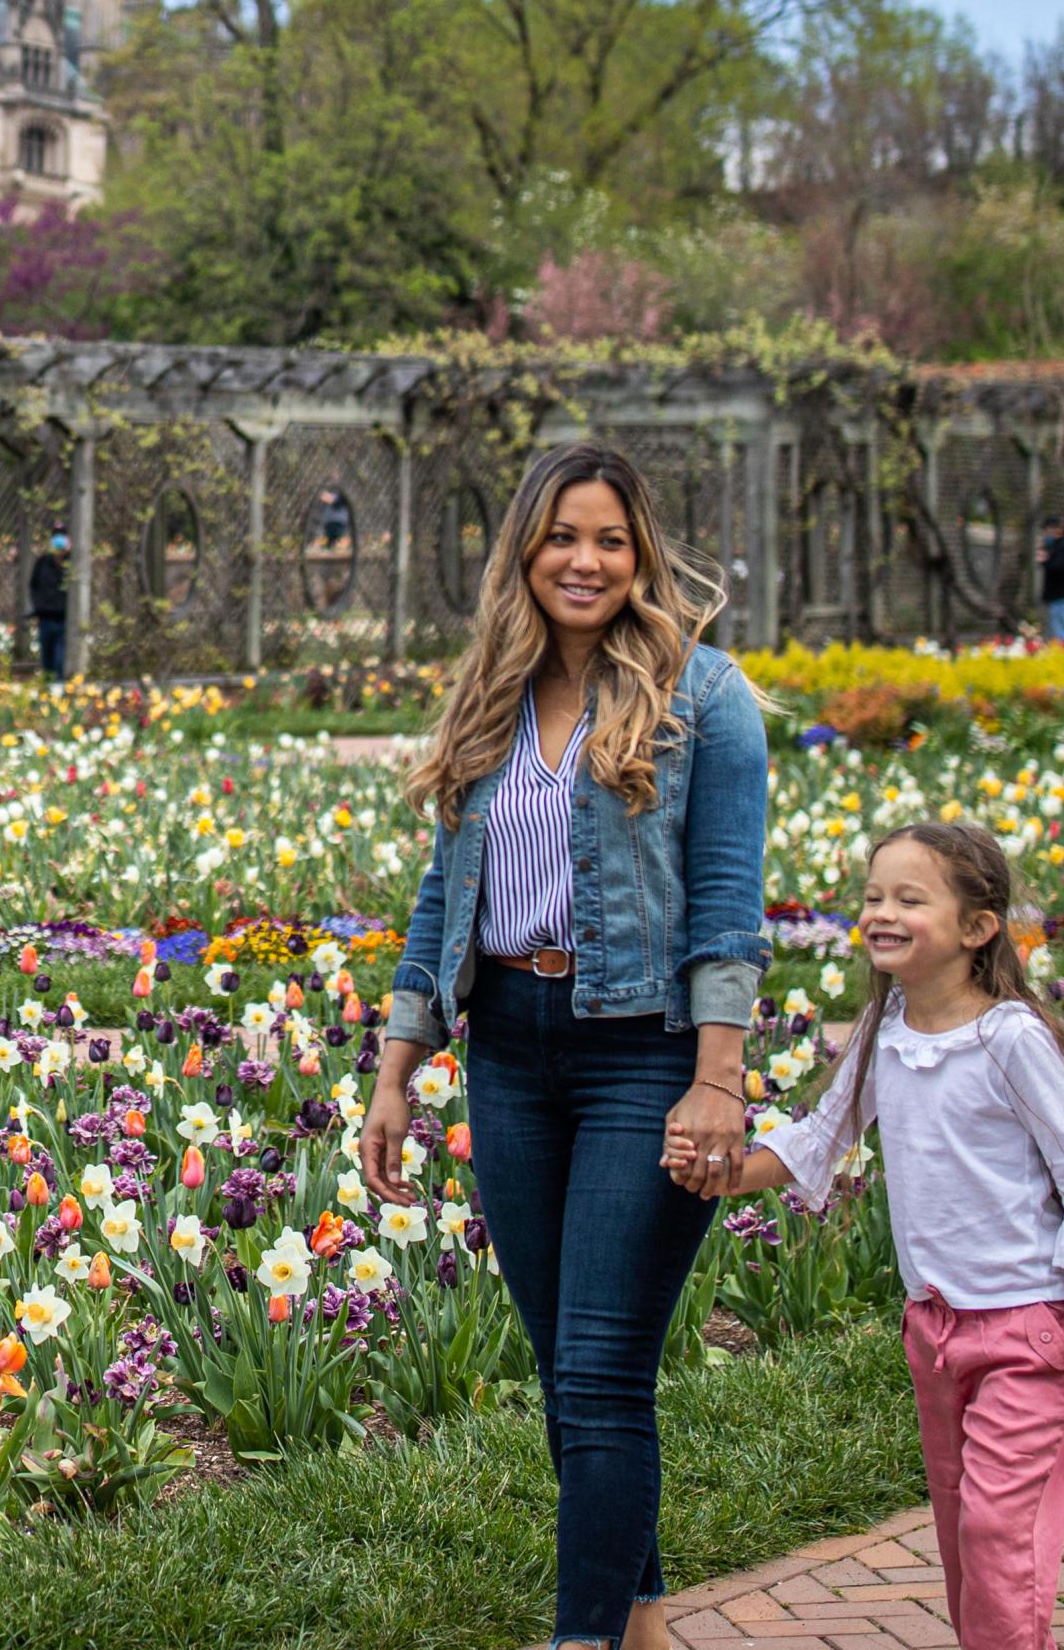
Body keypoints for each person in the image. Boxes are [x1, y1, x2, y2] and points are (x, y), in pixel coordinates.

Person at [361, 440, 769, 1650]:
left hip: (642, 1051)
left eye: (607, 538)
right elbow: (447, 899)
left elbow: (728, 900)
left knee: (597, 1371)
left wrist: (716, 1077)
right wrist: (397, 1067)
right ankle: (639, 1624)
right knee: (572, 1372)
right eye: (560, 536)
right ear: (524, 551)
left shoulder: (707, 693)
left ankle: (578, 1637)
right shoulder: (490, 689)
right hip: (513, 1055)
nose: (582, 560)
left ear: (639, 553)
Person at [679, 821, 1064, 1650]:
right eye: (872, 897)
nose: (881, 914)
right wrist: (724, 1173)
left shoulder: (1011, 1039)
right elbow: (818, 1140)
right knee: (961, 1531)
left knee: (998, 1536)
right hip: (933, 1329)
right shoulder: (883, 1029)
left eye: (908, 898)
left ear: (978, 928)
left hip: (1030, 1326)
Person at [24, 528, 70, 679]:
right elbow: (34, 585)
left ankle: (59, 687)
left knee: (60, 659)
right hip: (45, 618)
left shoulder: (71, 564)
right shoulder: (43, 562)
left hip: (64, 619)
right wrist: (38, 607)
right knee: (47, 659)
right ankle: (48, 690)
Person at [1034, 518, 1064, 641]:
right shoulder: (1053, 547)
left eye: (1047, 531)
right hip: (1055, 597)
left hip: (1063, 596)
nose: (1045, 534)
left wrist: (1045, 561)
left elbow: (1058, 567)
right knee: (1055, 630)